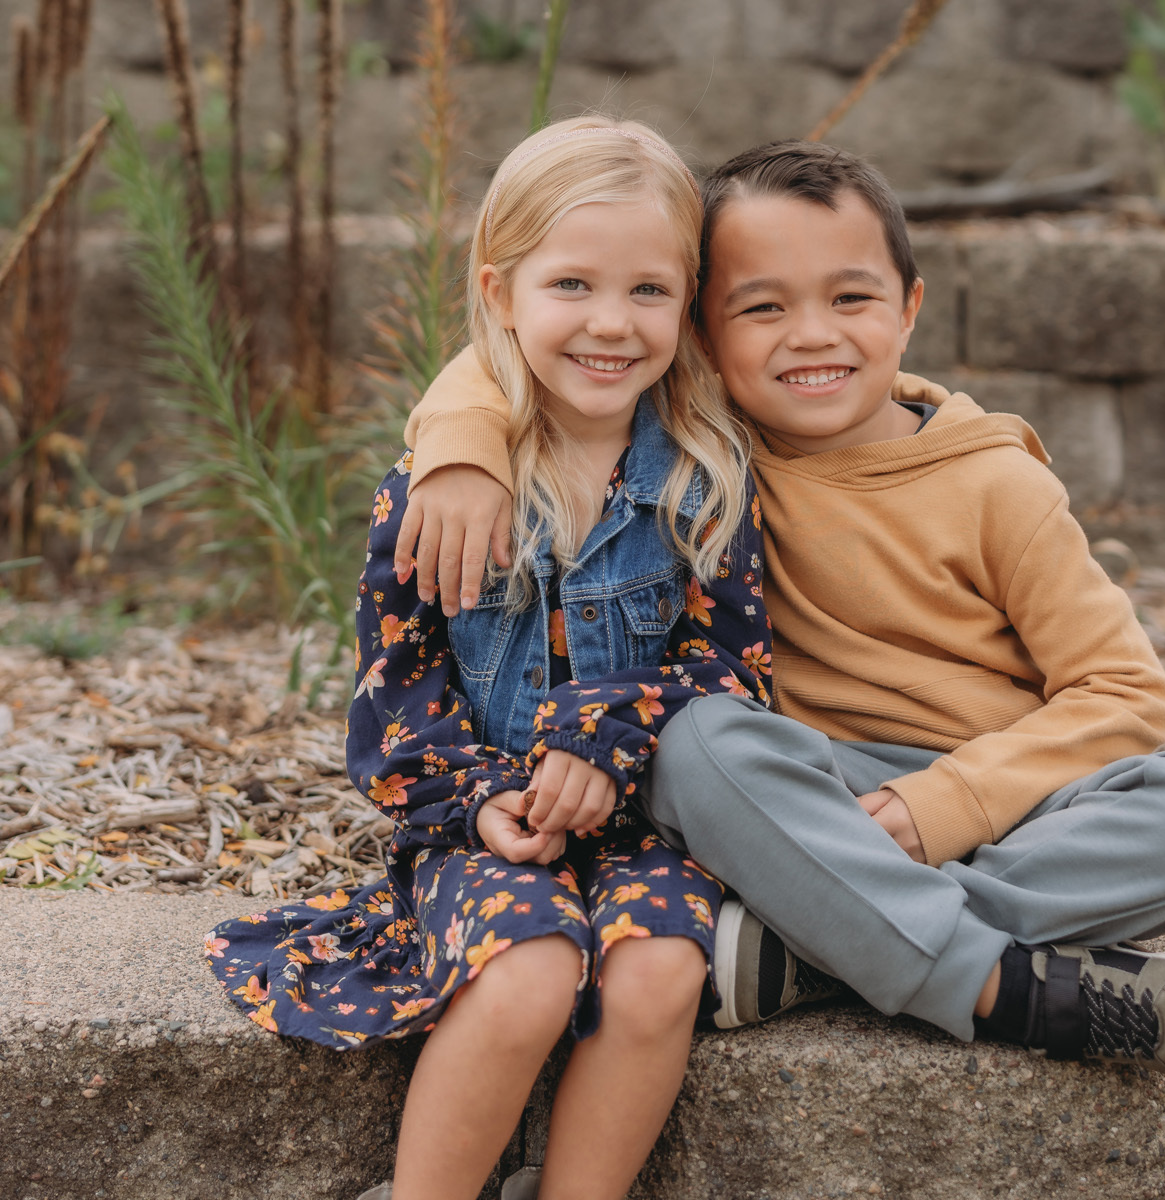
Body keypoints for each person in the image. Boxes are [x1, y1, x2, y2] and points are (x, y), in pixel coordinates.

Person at [393, 140, 1165, 1090]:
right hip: (802, 800)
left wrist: (935, 809)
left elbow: (1120, 690)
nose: (811, 335)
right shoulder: (702, 448)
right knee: (697, 742)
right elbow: (511, 346)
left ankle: (818, 952)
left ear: (909, 309)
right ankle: (985, 977)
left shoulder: (994, 483)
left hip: (1006, 806)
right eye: (762, 307)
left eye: (850, 299)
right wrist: (458, 444)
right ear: (698, 332)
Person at [204, 116, 775, 1200]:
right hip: (485, 831)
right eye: (572, 285)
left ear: (689, 299)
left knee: (659, 974)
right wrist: (477, 807)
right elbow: (395, 708)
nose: (611, 324)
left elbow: (735, 672)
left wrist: (612, 737)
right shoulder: (434, 495)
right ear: (500, 288)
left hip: (649, 823)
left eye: (650, 291)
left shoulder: (709, 484)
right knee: (528, 977)